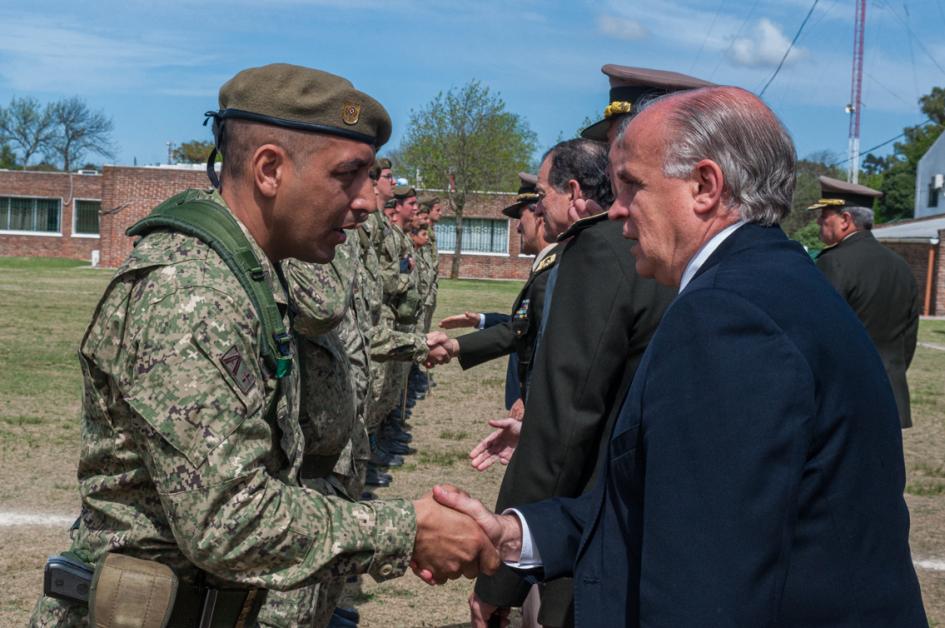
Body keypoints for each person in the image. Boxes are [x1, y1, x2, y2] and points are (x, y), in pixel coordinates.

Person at [434, 86, 927, 627]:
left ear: (705, 187)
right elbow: (669, 505)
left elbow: (702, 581)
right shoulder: (776, 281)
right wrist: (517, 536)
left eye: (633, 187)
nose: (617, 210)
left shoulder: (728, 316)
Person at [30, 63, 497, 627]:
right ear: (269, 169)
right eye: (346, 175)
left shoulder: (255, 273)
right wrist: (408, 530)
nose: (367, 202)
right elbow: (229, 519)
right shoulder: (191, 293)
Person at [466, 136, 675, 628]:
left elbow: (568, 425)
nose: (538, 206)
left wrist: (501, 575)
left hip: (593, 512)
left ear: (574, 191)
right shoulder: (667, 251)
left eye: (542, 194)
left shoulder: (597, 251)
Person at [435, 172, 560, 466]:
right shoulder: (546, 266)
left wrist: (526, 398)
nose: (517, 227)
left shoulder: (558, 269)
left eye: (521, 217)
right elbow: (525, 325)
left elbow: (544, 342)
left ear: (539, 214)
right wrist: (478, 322)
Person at [812, 176, 920, 428]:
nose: (818, 222)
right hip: (890, 394)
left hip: (845, 397)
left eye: (824, 216)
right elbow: (908, 340)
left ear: (845, 220)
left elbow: (821, 334)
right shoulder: (901, 266)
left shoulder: (833, 262)